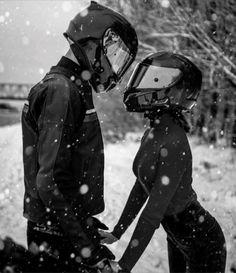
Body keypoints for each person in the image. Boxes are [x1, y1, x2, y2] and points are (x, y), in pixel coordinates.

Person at [21, 1, 138, 272]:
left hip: (61, 227)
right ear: (92, 43)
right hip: (55, 232)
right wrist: (86, 247)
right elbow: (50, 181)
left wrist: (84, 221)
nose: (114, 68)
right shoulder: (61, 90)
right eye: (115, 55)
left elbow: (68, 168)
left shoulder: (72, 87)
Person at [99, 52, 226, 273]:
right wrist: (116, 233)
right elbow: (142, 186)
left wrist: (123, 266)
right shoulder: (154, 131)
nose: (139, 87)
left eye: (151, 80)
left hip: (202, 240)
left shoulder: (174, 141)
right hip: (177, 233)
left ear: (171, 92)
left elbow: (152, 213)